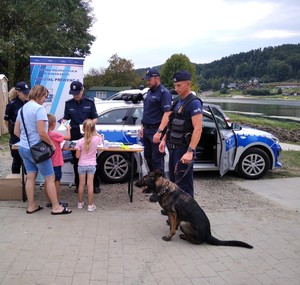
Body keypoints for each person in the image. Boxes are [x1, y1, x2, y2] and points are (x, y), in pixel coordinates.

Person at [14, 84, 72, 215]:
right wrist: (51, 144)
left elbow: (16, 131)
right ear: (39, 94)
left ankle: (31, 206)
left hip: (23, 148)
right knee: (50, 178)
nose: (45, 99)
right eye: (45, 96)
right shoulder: (39, 109)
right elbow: (42, 132)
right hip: (37, 150)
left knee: (30, 177)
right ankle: (56, 207)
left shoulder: (22, 109)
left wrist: (27, 140)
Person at [159, 70, 203, 199]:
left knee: (184, 183)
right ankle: (175, 209)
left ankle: (188, 214)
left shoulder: (194, 102)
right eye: (175, 85)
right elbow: (171, 124)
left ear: (188, 84)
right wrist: (163, 140)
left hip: (184, 150)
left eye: (179, 85)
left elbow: (198, 129)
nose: (176, 88)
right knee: (173, 180)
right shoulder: (178, 102)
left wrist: (190, 151)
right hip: (173, 148)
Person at [62, 81, 100, 193]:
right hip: (75, 137)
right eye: (73, 94)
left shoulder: (90, 102)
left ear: (82, 90)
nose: (75, 95)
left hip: (89, 136)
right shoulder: (69, 104)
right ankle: (78, 185)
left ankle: (95, 185)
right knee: (77, 161)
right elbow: (65, 118)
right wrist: (65, 123)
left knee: (93, 161)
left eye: (77, 93)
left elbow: (95, 118)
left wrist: (88, 125)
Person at [139, 67, 172, 178]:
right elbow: (147, 111)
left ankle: (160, 188)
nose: (147, 82)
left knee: (157, 159)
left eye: (149, 80)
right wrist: (142, 126)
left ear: (157, 78)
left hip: (156, 130)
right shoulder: (149, 92)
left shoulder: (164, 93)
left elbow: (167, 114)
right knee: (147, 157)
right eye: (147, 80)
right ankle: (153, 183)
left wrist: (159, 131)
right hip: (147, 129)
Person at [75, 119, 103, 212]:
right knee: (90, 185)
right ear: (93, 129)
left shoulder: (79, 141)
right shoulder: (96, 139)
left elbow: (77, 156)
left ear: (83, 129)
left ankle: (80, 203)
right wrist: (95, 131)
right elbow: (100, 139)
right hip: (92, 165)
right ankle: (90, 206)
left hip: (82, 165)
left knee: (81, 185)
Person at [44, 113, 71, 208]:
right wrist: (68, 129)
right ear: (53, 124)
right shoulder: (54, 134)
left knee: (47, 181)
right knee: (56, 181)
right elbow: (68, 137)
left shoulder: (44, 134)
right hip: (56, 162)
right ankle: (56, 201)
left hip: (47, 161)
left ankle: (49, 201)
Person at [4, 82, 30, 173]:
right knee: (17, 161)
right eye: (24, 93)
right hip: (15, 136)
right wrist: (12, 131)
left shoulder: (29, 103)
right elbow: (6, 121)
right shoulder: (11, 105)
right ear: (18, 92)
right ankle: (16, 184)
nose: (27, 94)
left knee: (27, 162)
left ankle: (27, 183)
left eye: (28, 92)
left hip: (27, 136)